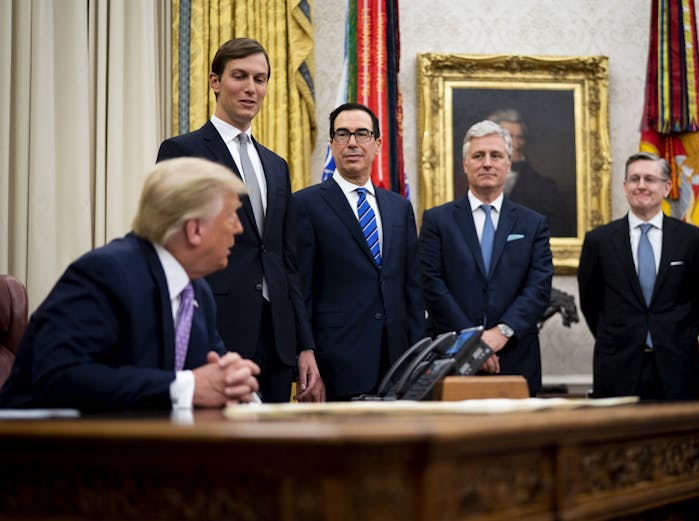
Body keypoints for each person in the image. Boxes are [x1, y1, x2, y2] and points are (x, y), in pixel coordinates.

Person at [0, 157, 260, 411]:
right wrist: (186, 386)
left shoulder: (196, 290)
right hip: (39, 448)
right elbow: (58, 377)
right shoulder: (106, 273)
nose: (238, 229)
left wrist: (233, 383)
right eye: (230, 217)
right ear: (194, 230)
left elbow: (210, 375)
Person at [156, 38, 322, 402]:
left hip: (277, 341)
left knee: (274, 452)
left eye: (260, 79)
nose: (251, 88)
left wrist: (304, 346)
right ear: (215, 81)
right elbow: (169, 249)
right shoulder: (183, 151)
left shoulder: (277, 166)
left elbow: (285, 260)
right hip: (215, 332)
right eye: (240, 76)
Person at [293, 102, 425, 401]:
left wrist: (419, 356)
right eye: (342, 134)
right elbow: (300, 291)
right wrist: (305, 352)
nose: (352, 142)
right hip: (336, 362)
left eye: (362, 134)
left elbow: (412, 290)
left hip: (398, 362)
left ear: (377, 144)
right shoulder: (305, 205)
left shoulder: (399, 207)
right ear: (332, 144)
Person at [419, 120, 553, 396]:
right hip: (452, 358)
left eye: (496, 156)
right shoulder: (437, 221)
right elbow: (431, 284)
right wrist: (474, 342)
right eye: (478, 156)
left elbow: (538, 287)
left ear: (508, 163)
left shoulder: (533, 224)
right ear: (465, 164)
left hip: (514, 358)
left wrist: (500, 333)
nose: (487, 163)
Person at [578, 152, 699, 400]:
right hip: (617, 367)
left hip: (677, 366)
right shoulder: (598, 241)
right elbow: (590, 302)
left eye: (649, 179)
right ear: (625, 187)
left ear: (666, 187)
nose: (641, 185)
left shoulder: (692, 240)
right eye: (634, 179)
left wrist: (672, 334)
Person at [487, 108, 574, 236]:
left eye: (520, 137)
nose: (516, 144)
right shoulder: (476, 178)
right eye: (509, 137)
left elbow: (556, 233)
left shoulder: (546, 187)